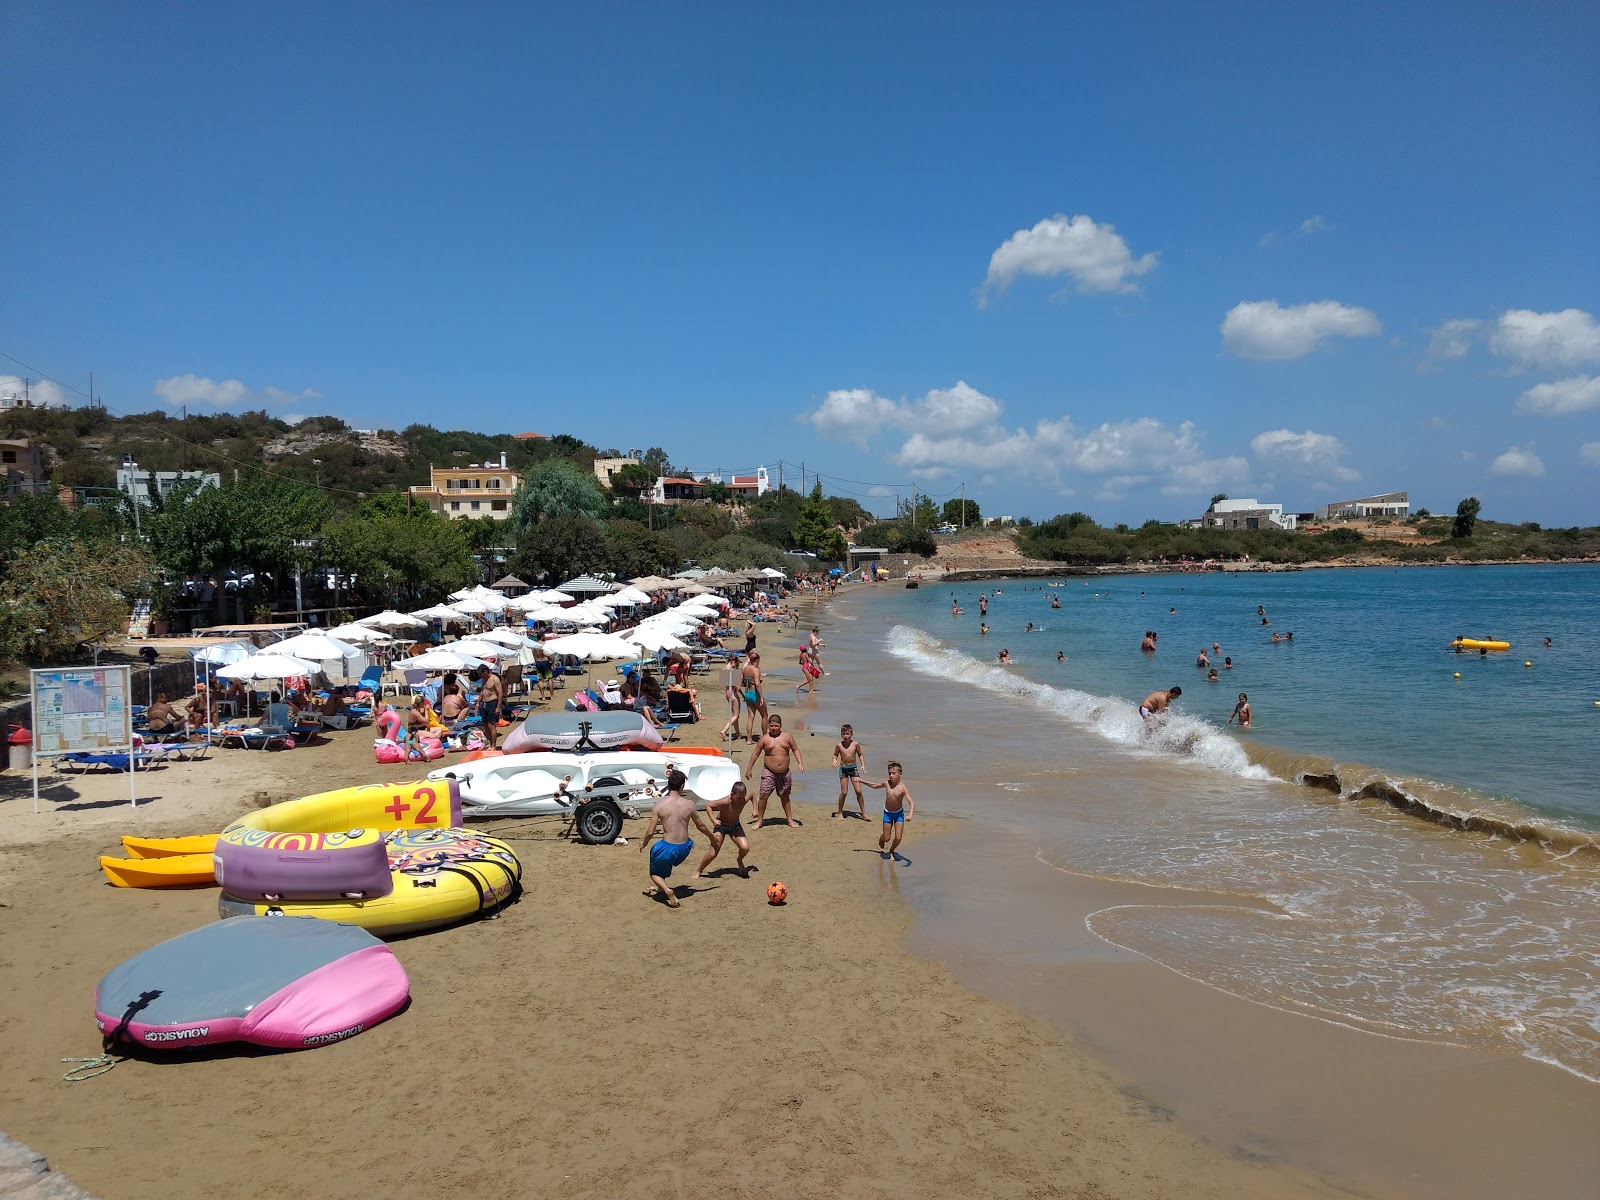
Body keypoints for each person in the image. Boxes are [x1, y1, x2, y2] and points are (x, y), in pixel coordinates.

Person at [639, 768, 715, 907]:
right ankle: (660, 886)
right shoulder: (689, 805)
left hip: (667, 848)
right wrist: (711, 837)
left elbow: (650, 832)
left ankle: (667, 890)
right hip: (685, 848)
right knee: (664, 863)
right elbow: (701, 826)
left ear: (668, 785)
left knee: (654, 872)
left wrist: (643, 844)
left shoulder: (659, 806)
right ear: (682, 786)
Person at [744, 713, 804, 828]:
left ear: (780, 726)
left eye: (776, 726)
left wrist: (800, 762)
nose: (774, 728)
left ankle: (790, 820)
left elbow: (795, 749)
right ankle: (760, 821)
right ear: (768, 726)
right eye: (772, 726)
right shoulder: (764, 739)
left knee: (785, 796)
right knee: (763, 796)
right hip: (769, 772)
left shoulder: (787, 737)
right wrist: (749, 769)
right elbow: (755, 753)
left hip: (784, 773)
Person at [693, 781, 753, 879]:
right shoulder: (726, 801)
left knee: (745, 848)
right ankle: (699, 869)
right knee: (713, 853)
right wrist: (713, 820)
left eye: (742, 797)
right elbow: (708, 805)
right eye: (738, 798)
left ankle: (739, 860)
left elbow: (752, 794)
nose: (740, 800)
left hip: (735, 826)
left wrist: (755, 809)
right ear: (732, 795)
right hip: (721, 826)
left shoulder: (743, 799)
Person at [862, 760, 915, 859]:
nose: (891, 775)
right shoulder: (886, 783)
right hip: (888, 813)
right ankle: (881, 837)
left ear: (900, 774)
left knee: (898, 838)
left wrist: (910, 815)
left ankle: (892, 850)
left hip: (899, 814)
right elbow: (875, 786)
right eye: (889, 773)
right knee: (886, 838)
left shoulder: (903, 788)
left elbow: (911, 802)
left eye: (894, 773)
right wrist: (861, 781)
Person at [832, 724, 866, 819]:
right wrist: (834, 760)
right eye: (843, 734)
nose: (846, 736)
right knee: (844, 792)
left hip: (853, 769)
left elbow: (860, 755)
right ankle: (839, 812)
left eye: (848, 734)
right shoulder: (839, 745)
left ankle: (863, 812)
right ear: (841, 734)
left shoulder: (855, 744)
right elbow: (835, 755)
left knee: (858, 791)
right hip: (843, 769)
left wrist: (863, 765)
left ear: (852, 733)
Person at [739, 652, 768, 742]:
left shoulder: (744, 669)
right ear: (757, 660)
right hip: (754, 693)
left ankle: (749, 739)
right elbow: (757, 683)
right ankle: (765, 737)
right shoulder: (755, 670)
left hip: (747, 693)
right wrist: (761, 697)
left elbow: (742, 683)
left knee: (750, 717)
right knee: (764, 715)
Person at [476, 664, 504, 750]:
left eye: (481, 674)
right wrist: (478, 702)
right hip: (484, 703)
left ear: (485, 671)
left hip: (492, 702)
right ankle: (490, 743)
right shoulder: (484, 679)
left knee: (491, 725)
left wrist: (498, 707)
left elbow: (500, 693)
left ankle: (494, 745)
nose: (480, 676)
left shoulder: (494, 679)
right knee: (485, 724)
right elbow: (482, 690)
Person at [719, 652, 744, 740]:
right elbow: (738, 687)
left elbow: (723, 682)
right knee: (736, 715)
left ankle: (738, 734)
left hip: (727, 693)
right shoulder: (734, 671)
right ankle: (724, 730)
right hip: (733, 693)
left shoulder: (724, 669)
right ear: (735, 662)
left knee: (734, 714)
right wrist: (743, 696)